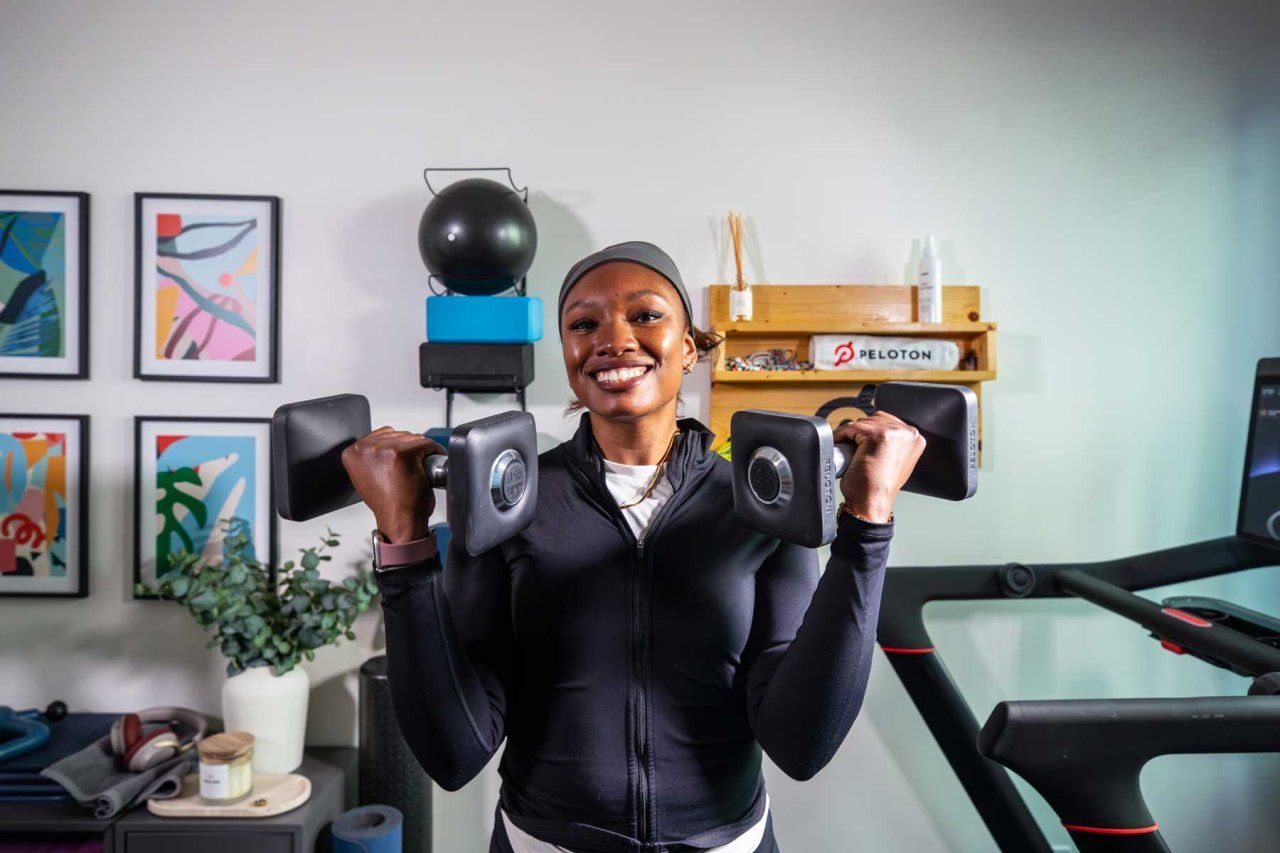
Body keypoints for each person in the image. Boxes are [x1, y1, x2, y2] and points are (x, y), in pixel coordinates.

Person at [344, 242, 925, 852]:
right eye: (583, 324)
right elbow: (454, 750)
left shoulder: (759, 505)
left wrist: (867, 528)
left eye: (645, 315)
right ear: (567, 353)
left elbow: (803, 741)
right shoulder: (507, 506)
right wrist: (404, 545)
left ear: (692, 346)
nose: (613, 339)